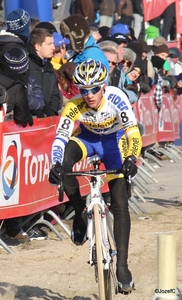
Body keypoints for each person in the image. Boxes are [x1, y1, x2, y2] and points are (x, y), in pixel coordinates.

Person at [49, 59, 142, 293]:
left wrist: (131, 158)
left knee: (120, 202)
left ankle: (122, 266)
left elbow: (132, 132)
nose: (89, 95)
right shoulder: (74, 105)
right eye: (83, 90)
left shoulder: (116, 97)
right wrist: (56, 164)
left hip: (113, 143)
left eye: (94, 89)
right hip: (88, 139)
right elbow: (60, 137)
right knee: (66, 161)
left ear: (103, 86)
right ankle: (80, 212)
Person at [27, 27, 62, 118]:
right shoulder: (26, 66)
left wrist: (52, 110)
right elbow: (23, 95)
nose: (53, 47)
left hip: (48, 120)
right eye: (49, 44)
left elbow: (55, 95)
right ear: (37, 46)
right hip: (30, 119)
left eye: (53, 43)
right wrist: (35, 110)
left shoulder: (49, 67)